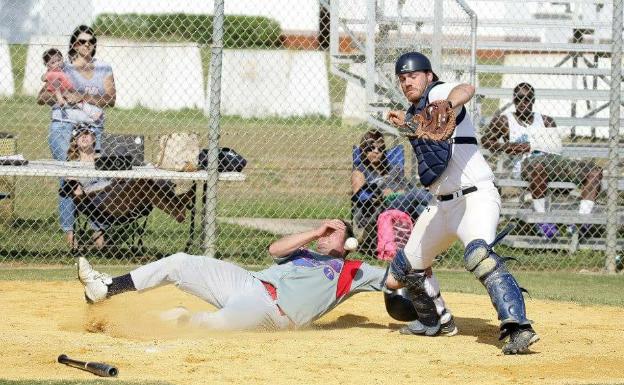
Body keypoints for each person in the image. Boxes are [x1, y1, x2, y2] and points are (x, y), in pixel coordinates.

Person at [385, 52, 539, 354]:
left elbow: (466, 89)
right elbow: (425, 140)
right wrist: (409, 123)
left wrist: (448, 106)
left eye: (413, 75)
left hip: (474, 197)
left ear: (429, 76)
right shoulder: (414, 113)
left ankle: (519, 327)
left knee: (478, 255)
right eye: (402, 78)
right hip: (441, 206)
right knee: (398, 275)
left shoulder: (439, 94)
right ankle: (437, 321)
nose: (407, 82)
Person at [77, 219, 456, 332]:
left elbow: (393, 279)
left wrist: (423, 256)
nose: (327, 233)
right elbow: (274, 250)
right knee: (178, 261)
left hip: (273, 313)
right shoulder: (304, 250)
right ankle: (107, 289)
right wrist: (314, 232)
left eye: (335, 230)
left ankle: (135, 325)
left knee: (207, 326)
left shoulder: (353, 270)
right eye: (325, 229)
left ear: (350, 240)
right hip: (249, 282)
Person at [482, 82, 603, 239]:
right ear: (514, 100)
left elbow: (555, 148)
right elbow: (486, 141)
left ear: (533, 100)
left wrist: (532, 145)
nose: (523, 103)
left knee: (595, 171)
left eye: (527, 99)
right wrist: (511, 147)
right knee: (538, 166)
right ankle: (543, 220)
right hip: (525, 166)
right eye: (519, 99)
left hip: (554, 162)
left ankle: (581, 222)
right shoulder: (504, 121)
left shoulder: (546, 121)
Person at [37, 25, 116, 247]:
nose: (87, 45)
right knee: (68, 179)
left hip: (92, 129)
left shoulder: (103, 68)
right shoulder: (63, 68)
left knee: (97, 179)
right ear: (74, 44)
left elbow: (111, 99)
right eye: (82, 41)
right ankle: (70, 237)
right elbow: (41, 97)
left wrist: (81, 96)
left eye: (91, 41)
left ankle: (98, 235)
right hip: (64, 127)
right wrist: (62, 96)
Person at [64, 126, 193, 248]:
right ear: (75, 141)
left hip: (124, 194)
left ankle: (177, 201)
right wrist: (77, 190)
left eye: (87, 133)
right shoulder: (73, 165)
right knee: (143, 183)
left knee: (147, 181)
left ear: (94, 138)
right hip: (100, 203)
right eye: (79, 134)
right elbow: (72, 189)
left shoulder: (108, 156)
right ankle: (176, 208)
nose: (84, 136)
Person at [351, 129, 432, 254]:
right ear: (363, 150)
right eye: (371, 148)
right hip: (378, 209)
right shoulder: (360, 171)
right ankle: (440, 204)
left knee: (421, 209)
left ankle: (426, 249)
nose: (376, 151)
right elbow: (360, 197)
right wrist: (380, 193)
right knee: (417, 194)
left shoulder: (391, 169)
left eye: (380, 148)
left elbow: (405, 186)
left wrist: (400, 190)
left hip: (400, 202)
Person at [41, 48, 102, 124]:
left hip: (67, 92)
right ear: (48, 65)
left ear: (62, 59)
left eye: (59, 60)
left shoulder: (66, 67)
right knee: (77, 103)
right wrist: (46, 76)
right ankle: (92, 115)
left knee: (79, 103)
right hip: (59, 91)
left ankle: (92, 117)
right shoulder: (52, 72)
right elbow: (44, 78)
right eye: (53, 62)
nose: (57, 63)